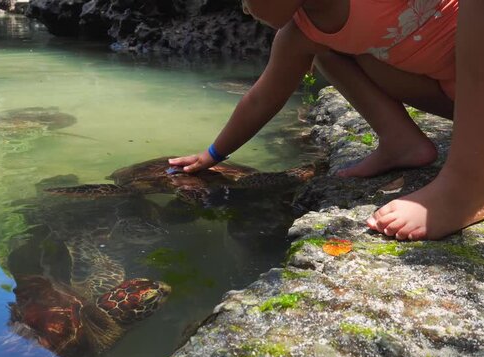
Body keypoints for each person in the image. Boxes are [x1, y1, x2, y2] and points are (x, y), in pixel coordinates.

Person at [169, 0, 484, 241]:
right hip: (459, 98)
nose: (244, 7)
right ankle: (400, 140)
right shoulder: (304, 33)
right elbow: (261, 98)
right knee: (325, 50)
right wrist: (212, 154)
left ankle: (468, 187)